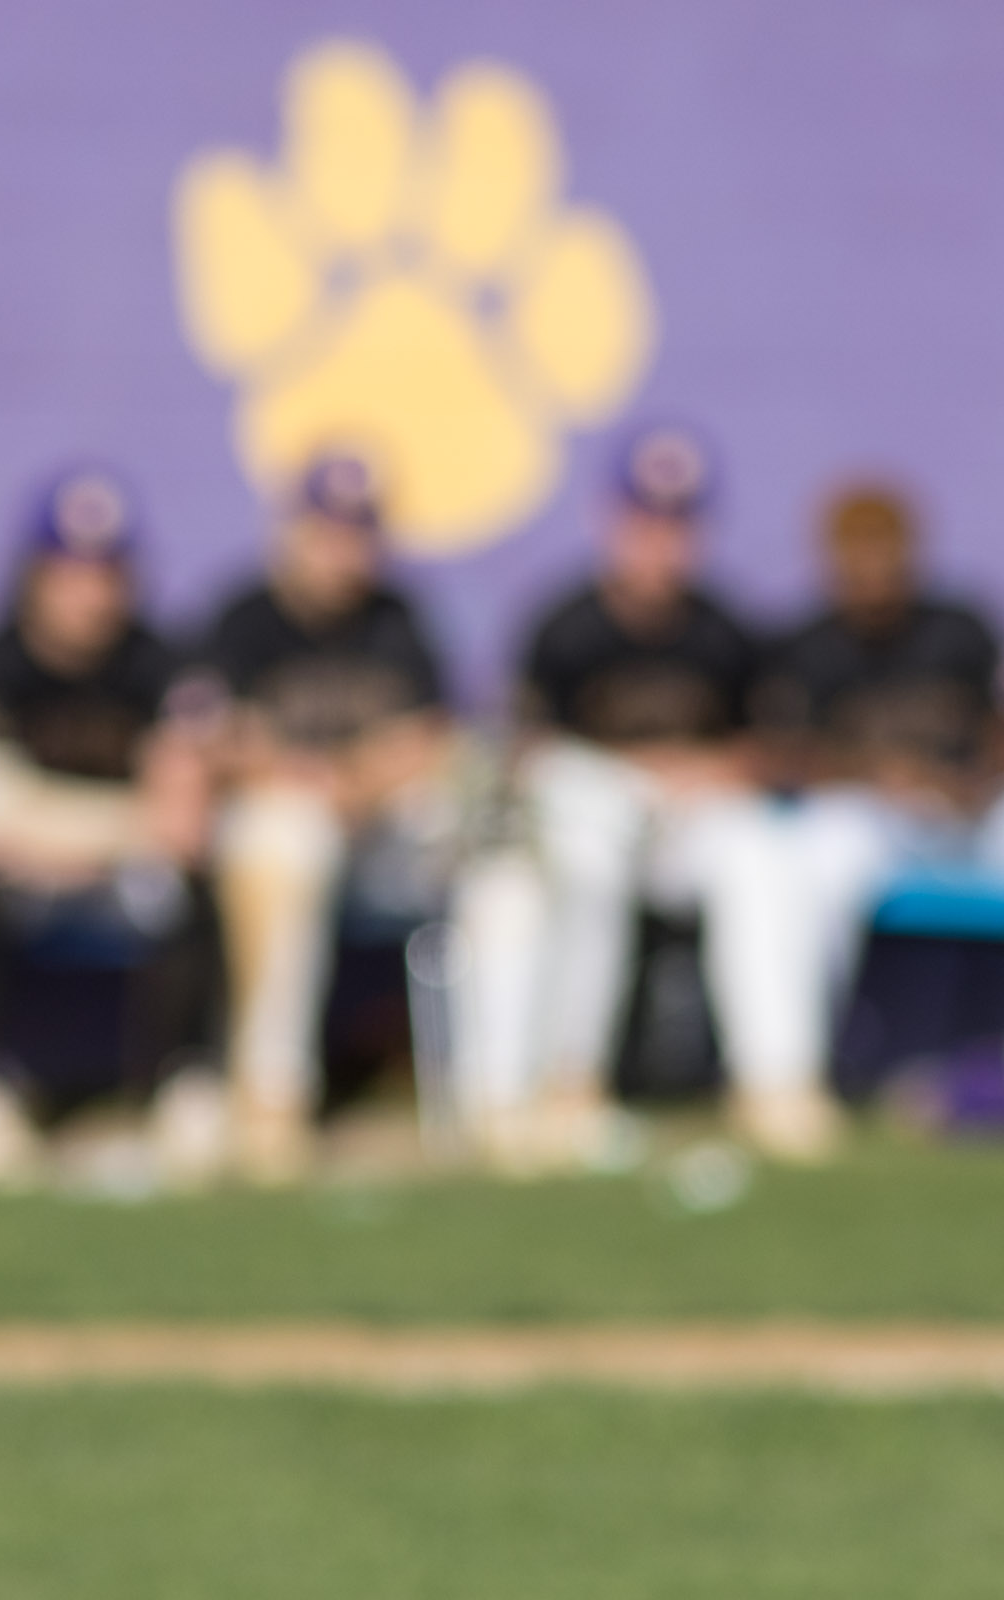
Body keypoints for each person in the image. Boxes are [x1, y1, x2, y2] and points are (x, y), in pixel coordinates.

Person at [475, 425, 839, 1160]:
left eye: (677, 525)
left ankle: (775, 1080)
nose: (660, 544)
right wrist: (637, 772)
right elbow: (526, 750)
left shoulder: (723, 627)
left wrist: (690, 774)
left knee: (761, 855)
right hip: (592, 820)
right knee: (584, 847)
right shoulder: (566, 625)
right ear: (611, 523)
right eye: (646, 523)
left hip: (685, 825)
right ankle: (571, 1083)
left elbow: (769, 750)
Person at [181, 453, 454, 1181]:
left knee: (487, 842)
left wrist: (351, 779)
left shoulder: (395, 618)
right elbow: (210, 739)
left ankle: (503, 1096)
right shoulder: (245, 618)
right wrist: (312, 777)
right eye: (328, 531)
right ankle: (272, 1095)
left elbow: (432, 740)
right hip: (287, 827)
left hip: (379, 831)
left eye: (359, 532)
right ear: (294, 532)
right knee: (287, 837)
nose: (344, 550)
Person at [0, 468, 205, 1131]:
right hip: (35, 876)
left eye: (107, 572)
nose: (92, 594)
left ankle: (189, 1079)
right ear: (37, 577)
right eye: (73, 573)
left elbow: (181, 823)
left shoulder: (154, 658)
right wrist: (122, 824)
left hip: (117, 876)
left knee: (193, 881)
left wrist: (63, 833)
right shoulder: (1, 655)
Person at [744, 482, 1003, 1082]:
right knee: (812, 856)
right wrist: (879, 777)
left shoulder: (958, 629)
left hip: (964, 809)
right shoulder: (808, 645)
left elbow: (994, 733)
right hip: (867, 816)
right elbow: (789, 758)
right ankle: (793, 1068)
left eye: (884, 551)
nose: (873, 569)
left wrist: (967, 787)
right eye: (857, 554)